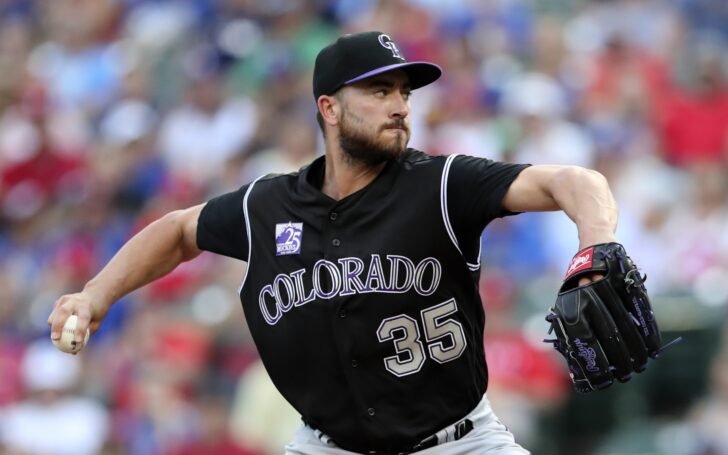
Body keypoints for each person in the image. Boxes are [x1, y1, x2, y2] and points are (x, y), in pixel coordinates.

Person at [48, 31, 622, 454]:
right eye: (378, 91)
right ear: (329, 108)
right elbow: (176, 231)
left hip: (458, 443)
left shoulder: (443, 184)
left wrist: (595, 250)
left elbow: (574, 181)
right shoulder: (266, 207)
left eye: (403, 91)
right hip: (328, 445)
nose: (399, 105)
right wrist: (95, 295)